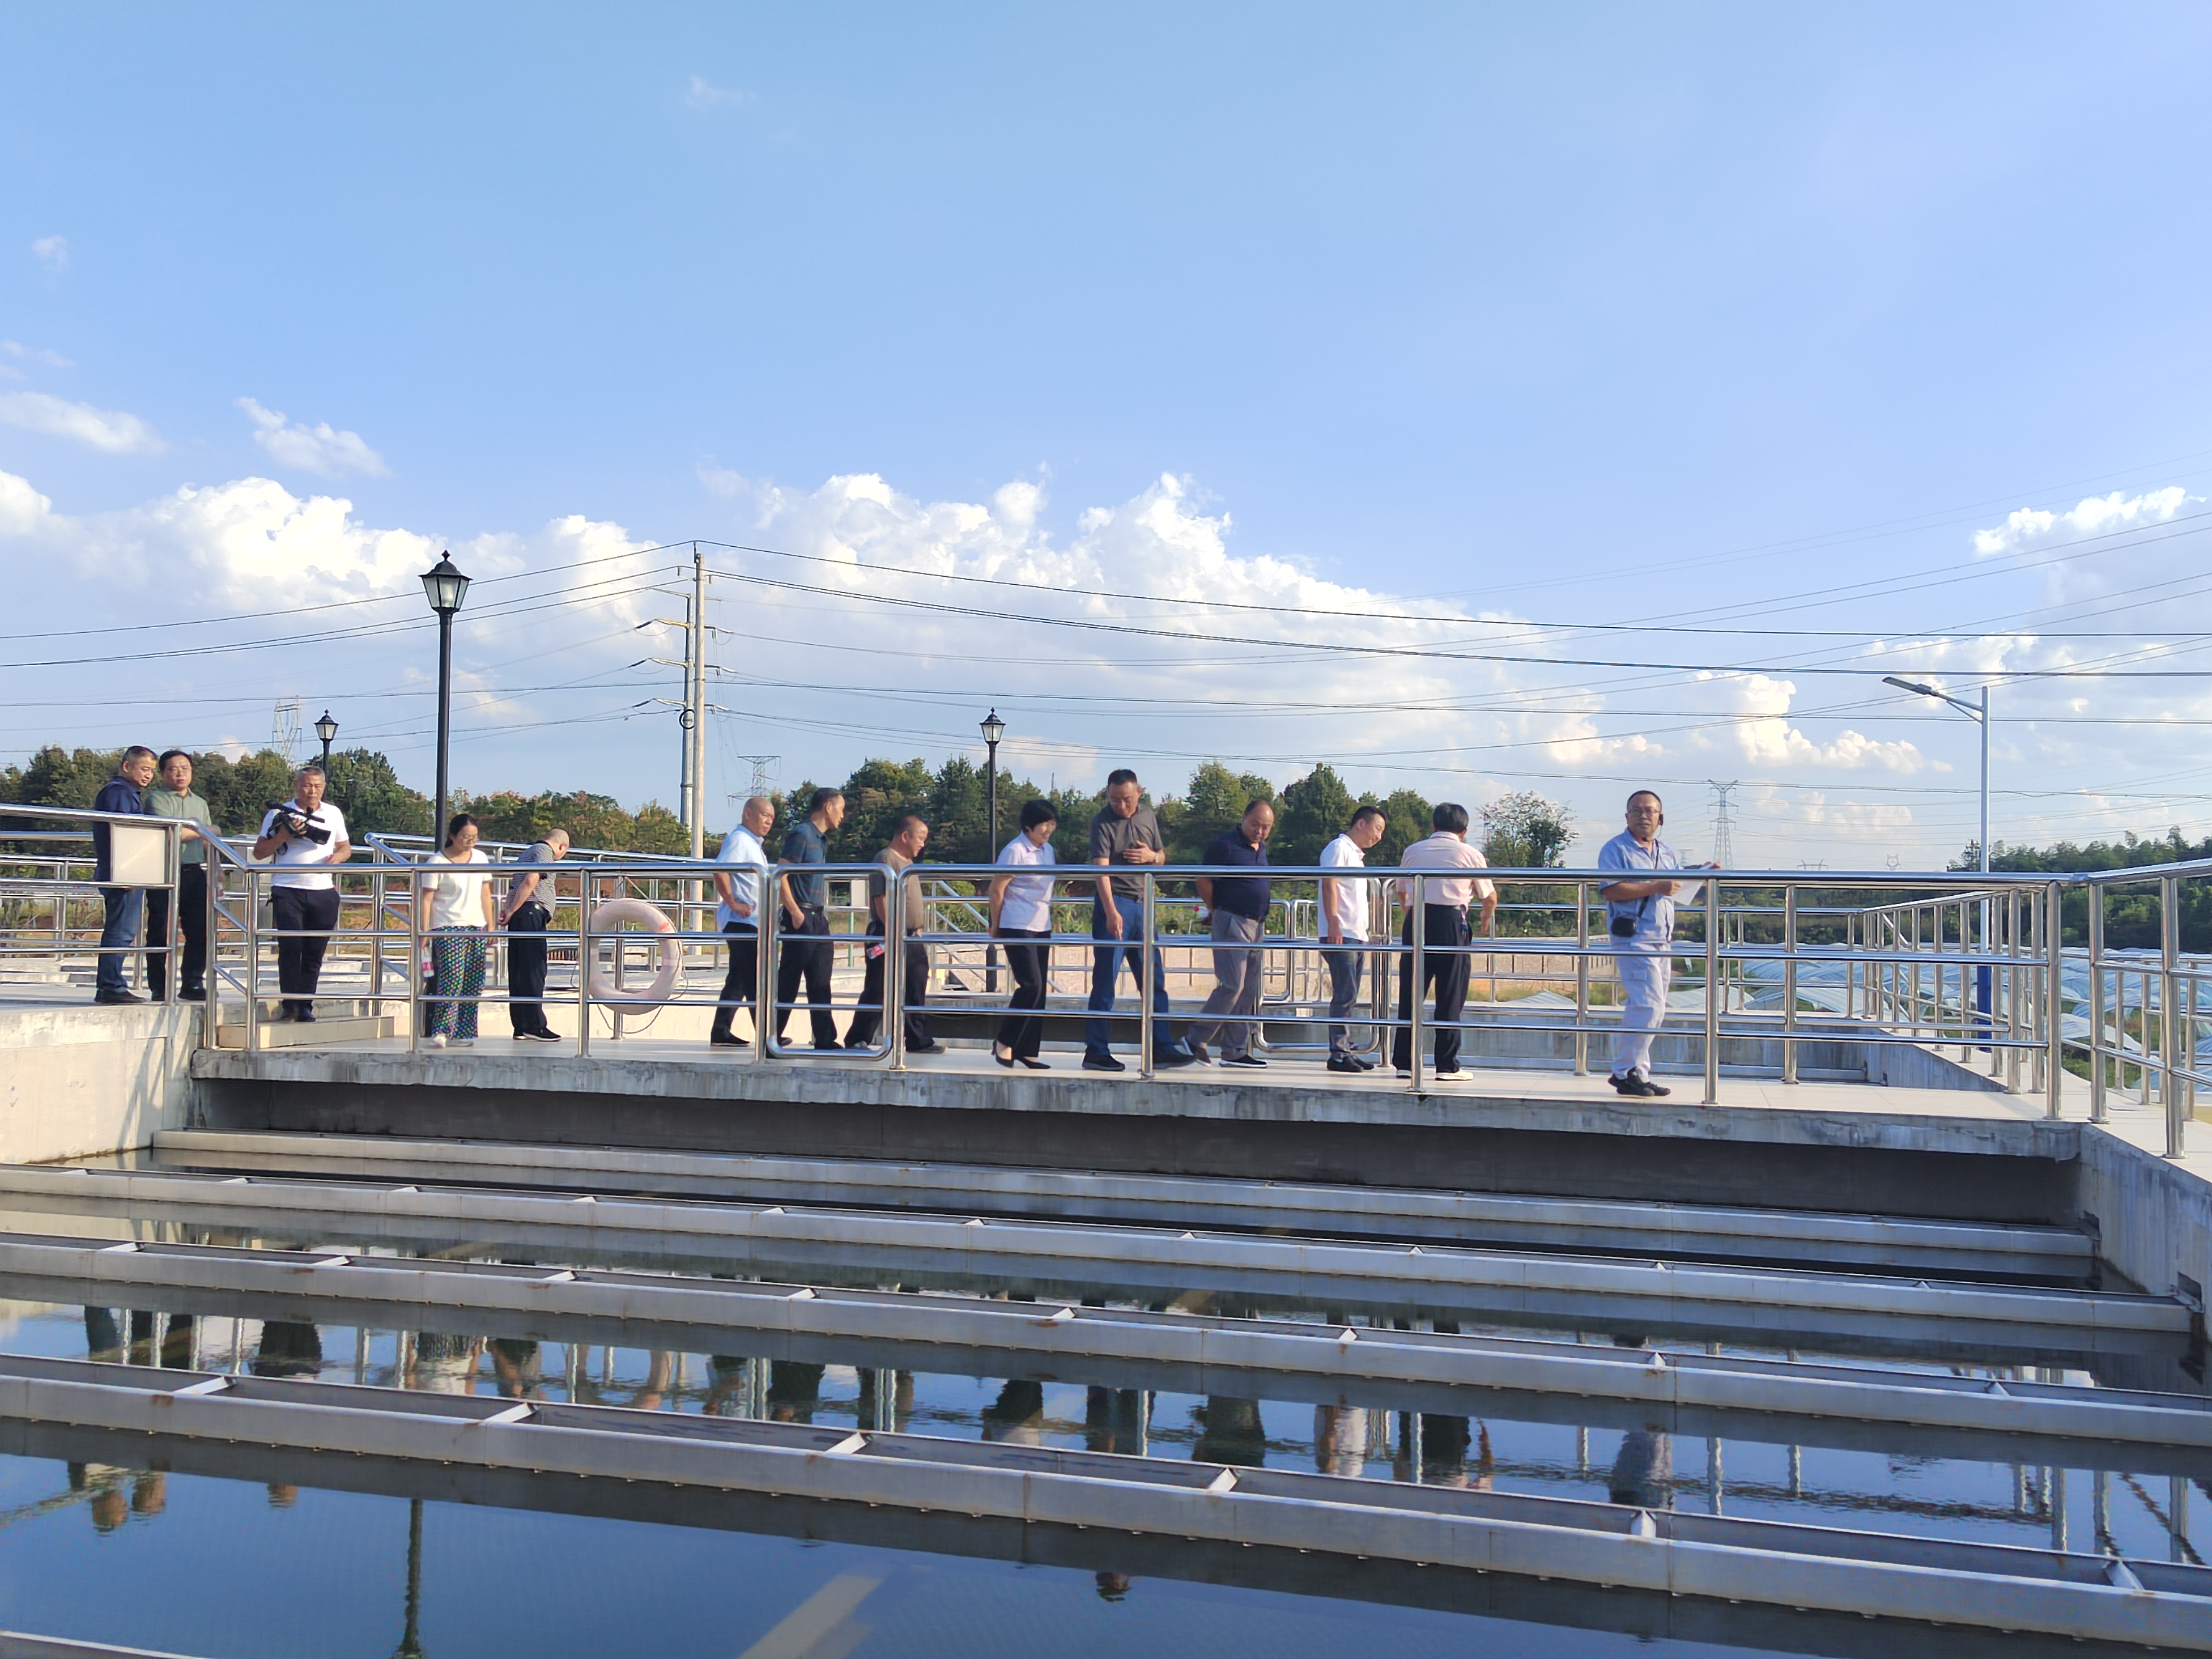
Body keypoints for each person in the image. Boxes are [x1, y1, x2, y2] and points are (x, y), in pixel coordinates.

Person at [1598, 789, 1711, 1099]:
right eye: (1636, 811)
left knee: (1652, 1008)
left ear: (1661, 818)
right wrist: (1655, 886)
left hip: (1662, 939)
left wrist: (1700, 876)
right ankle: (1624, 1072)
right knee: (1648, 1006)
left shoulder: (1666, 852)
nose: (1643, 816)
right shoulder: (1616, 849)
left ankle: (1638, 1072)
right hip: (1634, 939)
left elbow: (1675, 890)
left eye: (1650, 811)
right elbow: (1611, 890)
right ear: (1626, 816)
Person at [1082, 769, 1196, 1071]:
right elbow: (1100, 871)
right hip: (1116, 903)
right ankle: (1096, 1051)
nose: (1121, 806)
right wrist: (1111, 912)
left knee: (1153, 979)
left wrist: (1152, 857)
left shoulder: (1148, 816)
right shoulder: (1101, 823)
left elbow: (1161, 856)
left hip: (1143, 903)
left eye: (1127, 799)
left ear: (1139, 793)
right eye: (1114, 800)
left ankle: (1161, 1046)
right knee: (1105, 981)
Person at [1391, 802, 1498, 1078]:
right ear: (1464, 830)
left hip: (1417, 919)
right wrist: (1485, 918)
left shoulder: (1413, 851)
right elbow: (1489, 896)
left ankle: (1404, 1063)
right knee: (1450, 993)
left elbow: (1401, 890)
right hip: (1451, 921)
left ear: (1434, 825)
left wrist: (1410, 913)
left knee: (1411, 992)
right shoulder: (1470, 854)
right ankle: (1447, 1065)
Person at [253, 765, 352, 1022]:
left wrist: (338, 857)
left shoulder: (333, 813)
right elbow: (259, 852)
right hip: (288, 888)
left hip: (323, 890)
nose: (312, 791)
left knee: (314, 951)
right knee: (291, 947)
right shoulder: (278, 813)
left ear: (324, 787)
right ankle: (290, 1003)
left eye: (318, 786)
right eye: (307, 785)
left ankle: (306, 1004)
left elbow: (345, 847)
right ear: (297, 785)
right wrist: (284, 835)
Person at [1185, 799, 1275, 1067]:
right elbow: (1203, 879)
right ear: (1244, 817)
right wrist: (1215, 910)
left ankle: (1235, 1051)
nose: (1260, 831)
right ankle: (1195, 1039)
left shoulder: (1261, 849)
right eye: (1255, 824)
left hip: (1256, 924)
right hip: (1232, 920)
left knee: (1248, 990)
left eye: (1266, 827)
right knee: (1232, 985)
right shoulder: (1225, 845)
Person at [843, 813, 939, 1053]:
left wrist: (916, 927)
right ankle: (857, 1038)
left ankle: (917, 1040)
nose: (923, 844)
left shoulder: (908, 862)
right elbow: (881, 899)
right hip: (888, 934)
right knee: (878, 987)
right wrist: (893, 931)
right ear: (905, 836)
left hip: (910, 936)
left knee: (916, 985)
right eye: (920, 838)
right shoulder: (886, 858)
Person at [989, 798, 1059, 1070]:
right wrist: (995, 925)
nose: (1049, 829)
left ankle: (1028, 1050)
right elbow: (997, 889)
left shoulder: (1048, 850)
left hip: (1041, 924)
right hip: (1016, 923)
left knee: (1040, 992)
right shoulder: (1015, 851)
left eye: (1052, 824)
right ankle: (1004, 1042)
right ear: (1028, 826)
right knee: (1031, 985)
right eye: (1044, 824)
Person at [774, 787, 844, 1051]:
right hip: (802, 914)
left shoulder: (821, 839)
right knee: (789, 980)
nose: (842, 816)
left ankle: (825, 1039)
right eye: (841, 809)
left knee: (820, 979)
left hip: (818, 915)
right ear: (828, 807)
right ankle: (771, 1036)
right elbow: (781, 874)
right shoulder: (802, 835)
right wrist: (794, 912)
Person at [1318, 805, 1386, 1073]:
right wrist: (1334, 920)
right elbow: (1329, 883)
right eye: (1377, 829)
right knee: (1344, 994)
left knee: (1350, 994)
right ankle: (1338, 1054)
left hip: (1355, 935)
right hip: (1341, 934)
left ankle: (1345, 1048)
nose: (1379, 836)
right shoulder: (1338, 848)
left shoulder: (1356, 856)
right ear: (1361, 824)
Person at [143, 750, 214, 1001]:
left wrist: (216, 872)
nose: (180, 773)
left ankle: (193, 983)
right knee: (160, 930)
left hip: (194, 871)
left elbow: (208, 842)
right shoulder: (157, 800)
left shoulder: (200, 803)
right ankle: (159, 986)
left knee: (200, 930)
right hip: (164, 873)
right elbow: (171, 834)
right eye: (174, 769)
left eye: (185, 768)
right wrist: (205, 829)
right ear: (163, 773)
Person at [90, 746, 158, 1005]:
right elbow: (125, 833)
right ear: (127, 766)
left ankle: (111, 985)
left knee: (122, 929)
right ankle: (111, 986)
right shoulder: (118, 793)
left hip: (121, 871)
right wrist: (130, 872)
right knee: (120, 930)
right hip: (122, 873)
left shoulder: (125, 793)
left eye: (152, 771)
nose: (149, 775)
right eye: (144, 769)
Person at [421, 813, 495, 1047]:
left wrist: (490, 923)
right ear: (452, 836)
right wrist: (424, 930)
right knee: (452, 977)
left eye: (474, 837)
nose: (470, 841)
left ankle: (464, 1032)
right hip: (447, 925)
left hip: (475, 925)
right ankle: (443, 1030)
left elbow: (485, 893)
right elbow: (426, 899)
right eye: (465, 836)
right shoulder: (437, 862)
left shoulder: (480, 858)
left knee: (473, 981)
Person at [708, 797, 773, 1048]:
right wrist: (733, 902)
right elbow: (721, 870)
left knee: (738, 978)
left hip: (752, 922)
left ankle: (721, 1030)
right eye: (765, 815)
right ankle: (768, 1037)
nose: (768, 821)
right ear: (748, 814)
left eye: (772, 818)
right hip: (740, 921)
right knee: (754, 978)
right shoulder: (739, 840)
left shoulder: (753, 844)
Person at [498, 827, 569, 1041]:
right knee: (534, 970)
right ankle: (535, 1026)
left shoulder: (526, 853)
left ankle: (521, 1025)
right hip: (530, 914)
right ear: (562, 847)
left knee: (519, 970)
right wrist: (512, 910)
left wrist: (509, 911)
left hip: (520, 916)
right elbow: (532, 879)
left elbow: (513, 888)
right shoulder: (544, 852)